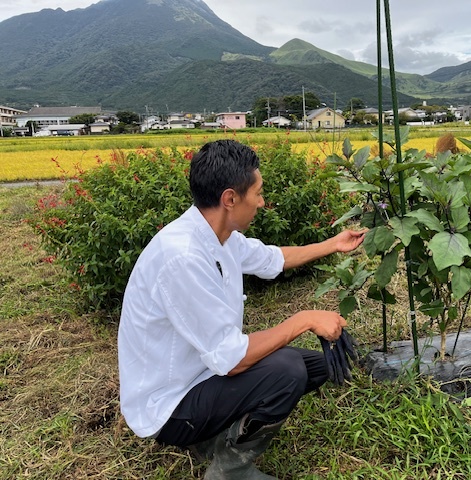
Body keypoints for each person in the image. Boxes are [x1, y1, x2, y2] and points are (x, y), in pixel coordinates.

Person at [117, 139, 365, 479]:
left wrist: (333, 245)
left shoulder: (220, 236)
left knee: (315, 365)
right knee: (288, 370)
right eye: (258, 193)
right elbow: (232, 360)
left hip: (202, 375)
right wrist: (304, 319)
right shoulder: (183, 257)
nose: (262, 202)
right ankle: (230, 470)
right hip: (170, 405)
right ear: (230, 199)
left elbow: (273, 258)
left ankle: (220, 434)